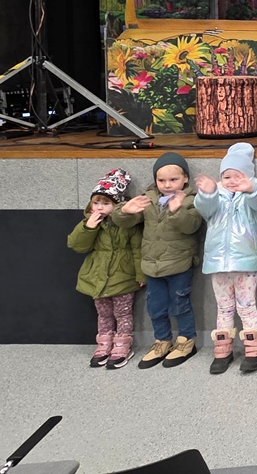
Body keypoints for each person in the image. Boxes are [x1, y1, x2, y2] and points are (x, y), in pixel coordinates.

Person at [112, 152, 203, 369]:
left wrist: (177, 210)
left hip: (179, 264)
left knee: (180, 305)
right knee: (155, 307)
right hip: (152, 266)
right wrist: (124, 211)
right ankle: (162, 341)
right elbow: (124, 221)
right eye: (161, 180)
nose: (167, 185)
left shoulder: (191, 200)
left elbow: (191, 226)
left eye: (173, 179)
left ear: (185, 178)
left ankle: (186, 341)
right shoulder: (148, 199)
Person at [194, 142, 257, 375]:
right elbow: (204, 209)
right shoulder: (216, 196)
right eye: (227, 176)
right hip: (217, 263)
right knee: (224, 307)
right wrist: (207, 193)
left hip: (245, 262)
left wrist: (251, 189)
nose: (232, 181)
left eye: (239, 176)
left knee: (247, 306)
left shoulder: (252, 195)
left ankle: (254, 351)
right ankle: (223, 351)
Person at [67, 168, 143, 370]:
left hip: (123, 276)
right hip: (98, 277)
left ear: (117, 205)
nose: (99, 207)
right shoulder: (90, 222)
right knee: (104, 313)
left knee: (123, 313)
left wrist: (140, 274)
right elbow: (76, 245)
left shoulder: (127, 224)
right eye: (96, 202)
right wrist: (88, 228)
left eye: (106, 203)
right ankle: (104, 344)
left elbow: (137, 249)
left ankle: (122, 345)